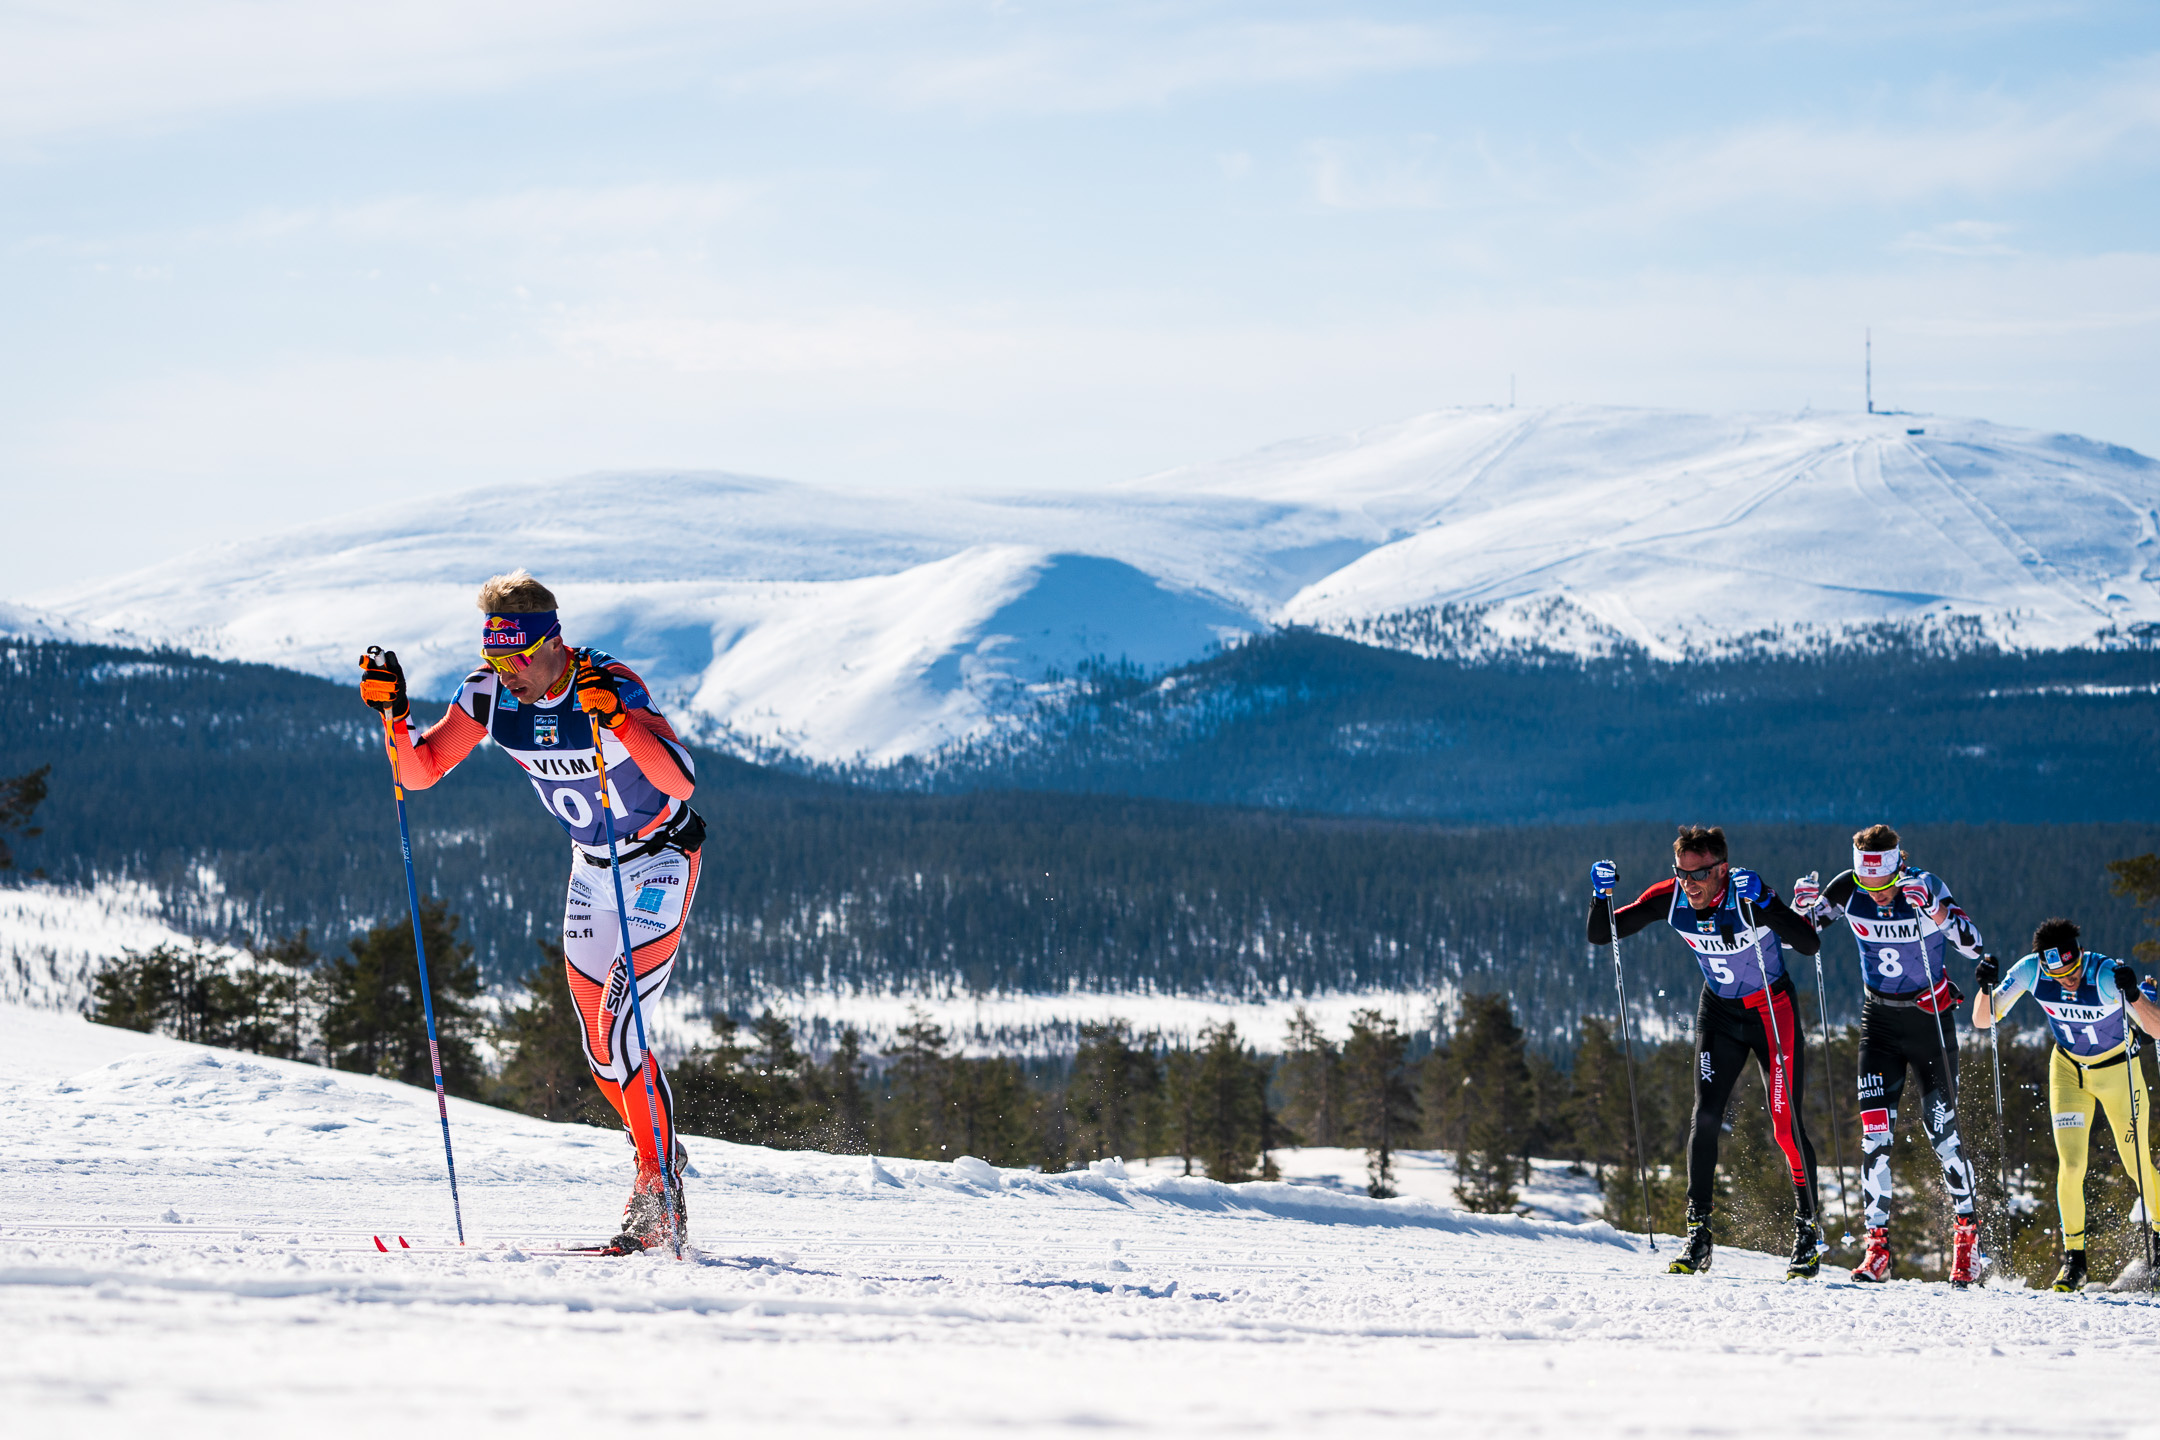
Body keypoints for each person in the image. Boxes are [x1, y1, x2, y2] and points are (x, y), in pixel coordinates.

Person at [358, 570, 704, 1253]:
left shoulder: (608, 682)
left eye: (514, 658)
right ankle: (659, 1155)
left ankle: (657, 1188)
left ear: (554, 645)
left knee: (621, 1027)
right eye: (492, 657)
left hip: (657, 860)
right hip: (590, 870)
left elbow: (679, 779)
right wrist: (394, 718)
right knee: (601, 1051)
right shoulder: (487, 694)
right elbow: (420, 771)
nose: (503, 673)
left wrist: (620, 722)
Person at [1588, 825, 1824, 1278]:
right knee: (1706, 1117)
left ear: (1722, 869)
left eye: (1697, 874)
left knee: (1784, 1126)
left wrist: (1770, 901)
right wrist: (1600, 896)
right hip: (1718, 1012)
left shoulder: (1746, 894)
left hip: (1772, 1011)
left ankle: (1808, 1230)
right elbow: (1605, 934)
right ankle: (1698, 1235)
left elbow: (1809, 943)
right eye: (1681, 873)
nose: (1688, 884)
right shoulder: (1672, 897)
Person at [1792, 824, 1985, 1286]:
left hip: (1929, 1023)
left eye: (1885, 884)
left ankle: (1968, 1242)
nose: (1877, 894)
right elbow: (1798, 939)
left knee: (1943, 1135)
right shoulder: (1846, 887)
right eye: (1868, 884)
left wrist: (1935, 911)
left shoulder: (1925, 884)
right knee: (1875, 1139)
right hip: (1878, 1022)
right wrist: (1798, 909)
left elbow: (1972, 944)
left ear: (1899, 867)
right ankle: (1877, 1249)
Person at [1973, 917, 2160, 1292]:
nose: (2067, 980)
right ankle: (2075, 1262)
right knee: (2072, 1165)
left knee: (2136, 1163)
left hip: (2117, 1070)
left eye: (2072, 971)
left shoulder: (2105, 974)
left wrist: (2135, 996)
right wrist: (1984, 987)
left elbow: (2156, 1030)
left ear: (2080, 957)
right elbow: (1982, 1019)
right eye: (2058, 974)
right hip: (2069, 1071)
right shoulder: (2030, 970)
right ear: (2043, 963)